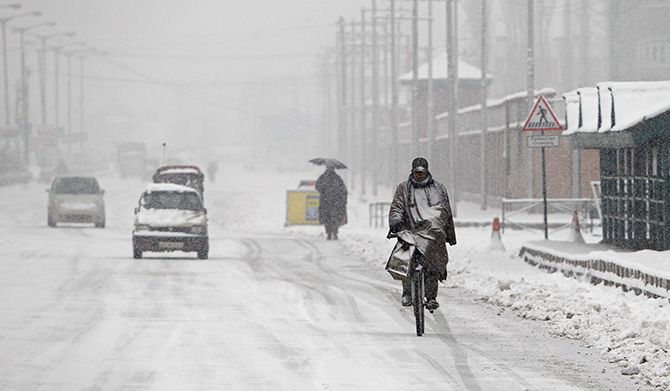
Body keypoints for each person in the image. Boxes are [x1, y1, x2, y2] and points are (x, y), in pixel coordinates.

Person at [388, 157, 456, 311]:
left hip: (431, 233)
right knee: (405, 260)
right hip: (409, 231)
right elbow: (397, 207)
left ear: (427, 171)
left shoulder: (438, 188)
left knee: (433, 263)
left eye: (422, 172)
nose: (419, 175)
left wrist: (440, 228)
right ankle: (407, 292)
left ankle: (431, 297)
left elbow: (442, 210)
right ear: (412, 172)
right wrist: (396, 222)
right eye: (416, 172)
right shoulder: (403, 188)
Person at [315, 165, 348, 240]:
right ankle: (335, 232)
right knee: (335, 217)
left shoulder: (323, 177)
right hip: (336, 201)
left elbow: (317, 186)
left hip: (325, 201)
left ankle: (328, 233)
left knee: (326, 217)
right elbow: (343, 189)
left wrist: (324, 191)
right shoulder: (337, 178)